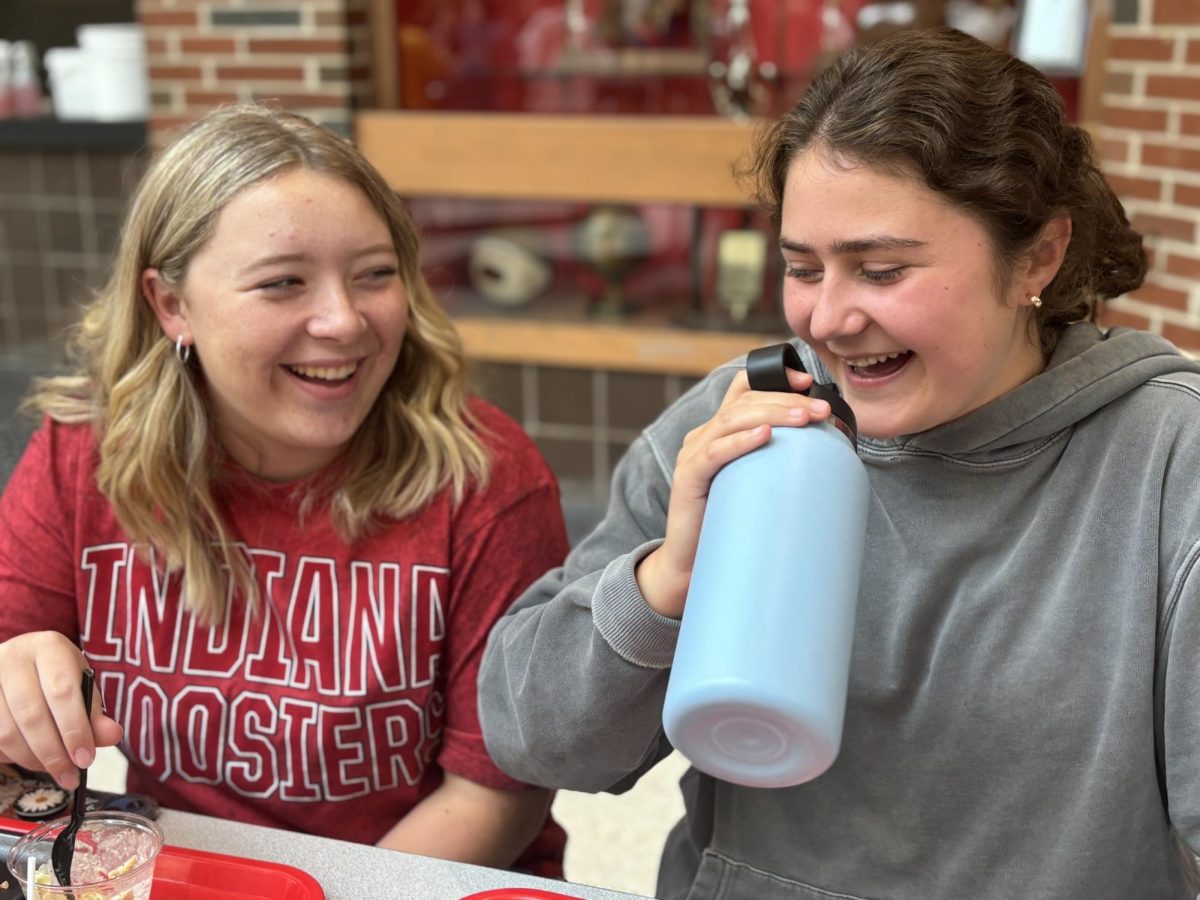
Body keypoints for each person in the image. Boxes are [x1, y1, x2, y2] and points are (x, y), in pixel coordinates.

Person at [478, 26, 1200, 899]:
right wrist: (666, 582)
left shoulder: (1166, 463)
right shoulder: (738, 422)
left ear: (1037, 258)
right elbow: (534, 741)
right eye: (801, 267)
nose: (826, 319)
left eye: (881, 270)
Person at [0, 104, 569, 875]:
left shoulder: (485, 480)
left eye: (375, 275)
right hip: (194, 876)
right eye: (282, 283)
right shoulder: (87, 455)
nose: (343, 321)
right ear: (170, 305)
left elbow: (497, 797)